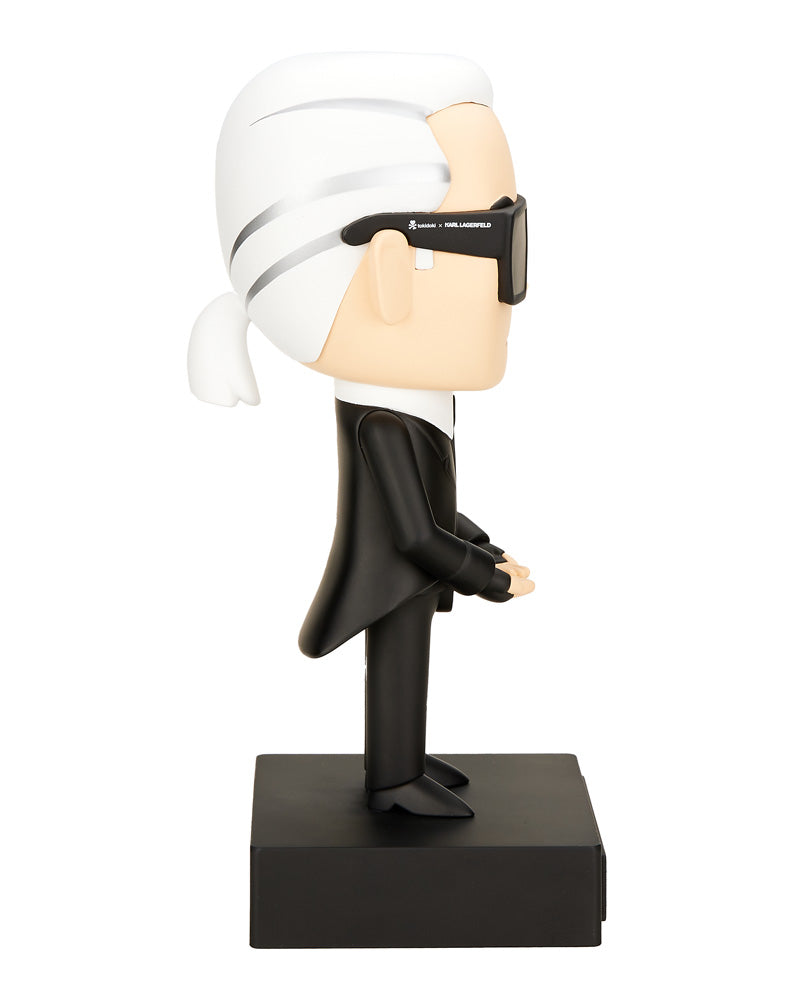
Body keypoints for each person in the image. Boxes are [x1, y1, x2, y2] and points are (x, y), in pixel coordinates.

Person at [189, 53, 534, 816]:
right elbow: (411, 532)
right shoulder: (381, 419)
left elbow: (432, 506)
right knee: (400, 655)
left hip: (414, 569)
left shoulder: (415, 401)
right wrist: (482, 577)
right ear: (389, 269)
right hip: (391, 575)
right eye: (497, 239)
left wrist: (480, 544)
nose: (514, 285)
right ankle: (393, 779)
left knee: (408, 662)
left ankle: (401, 760)